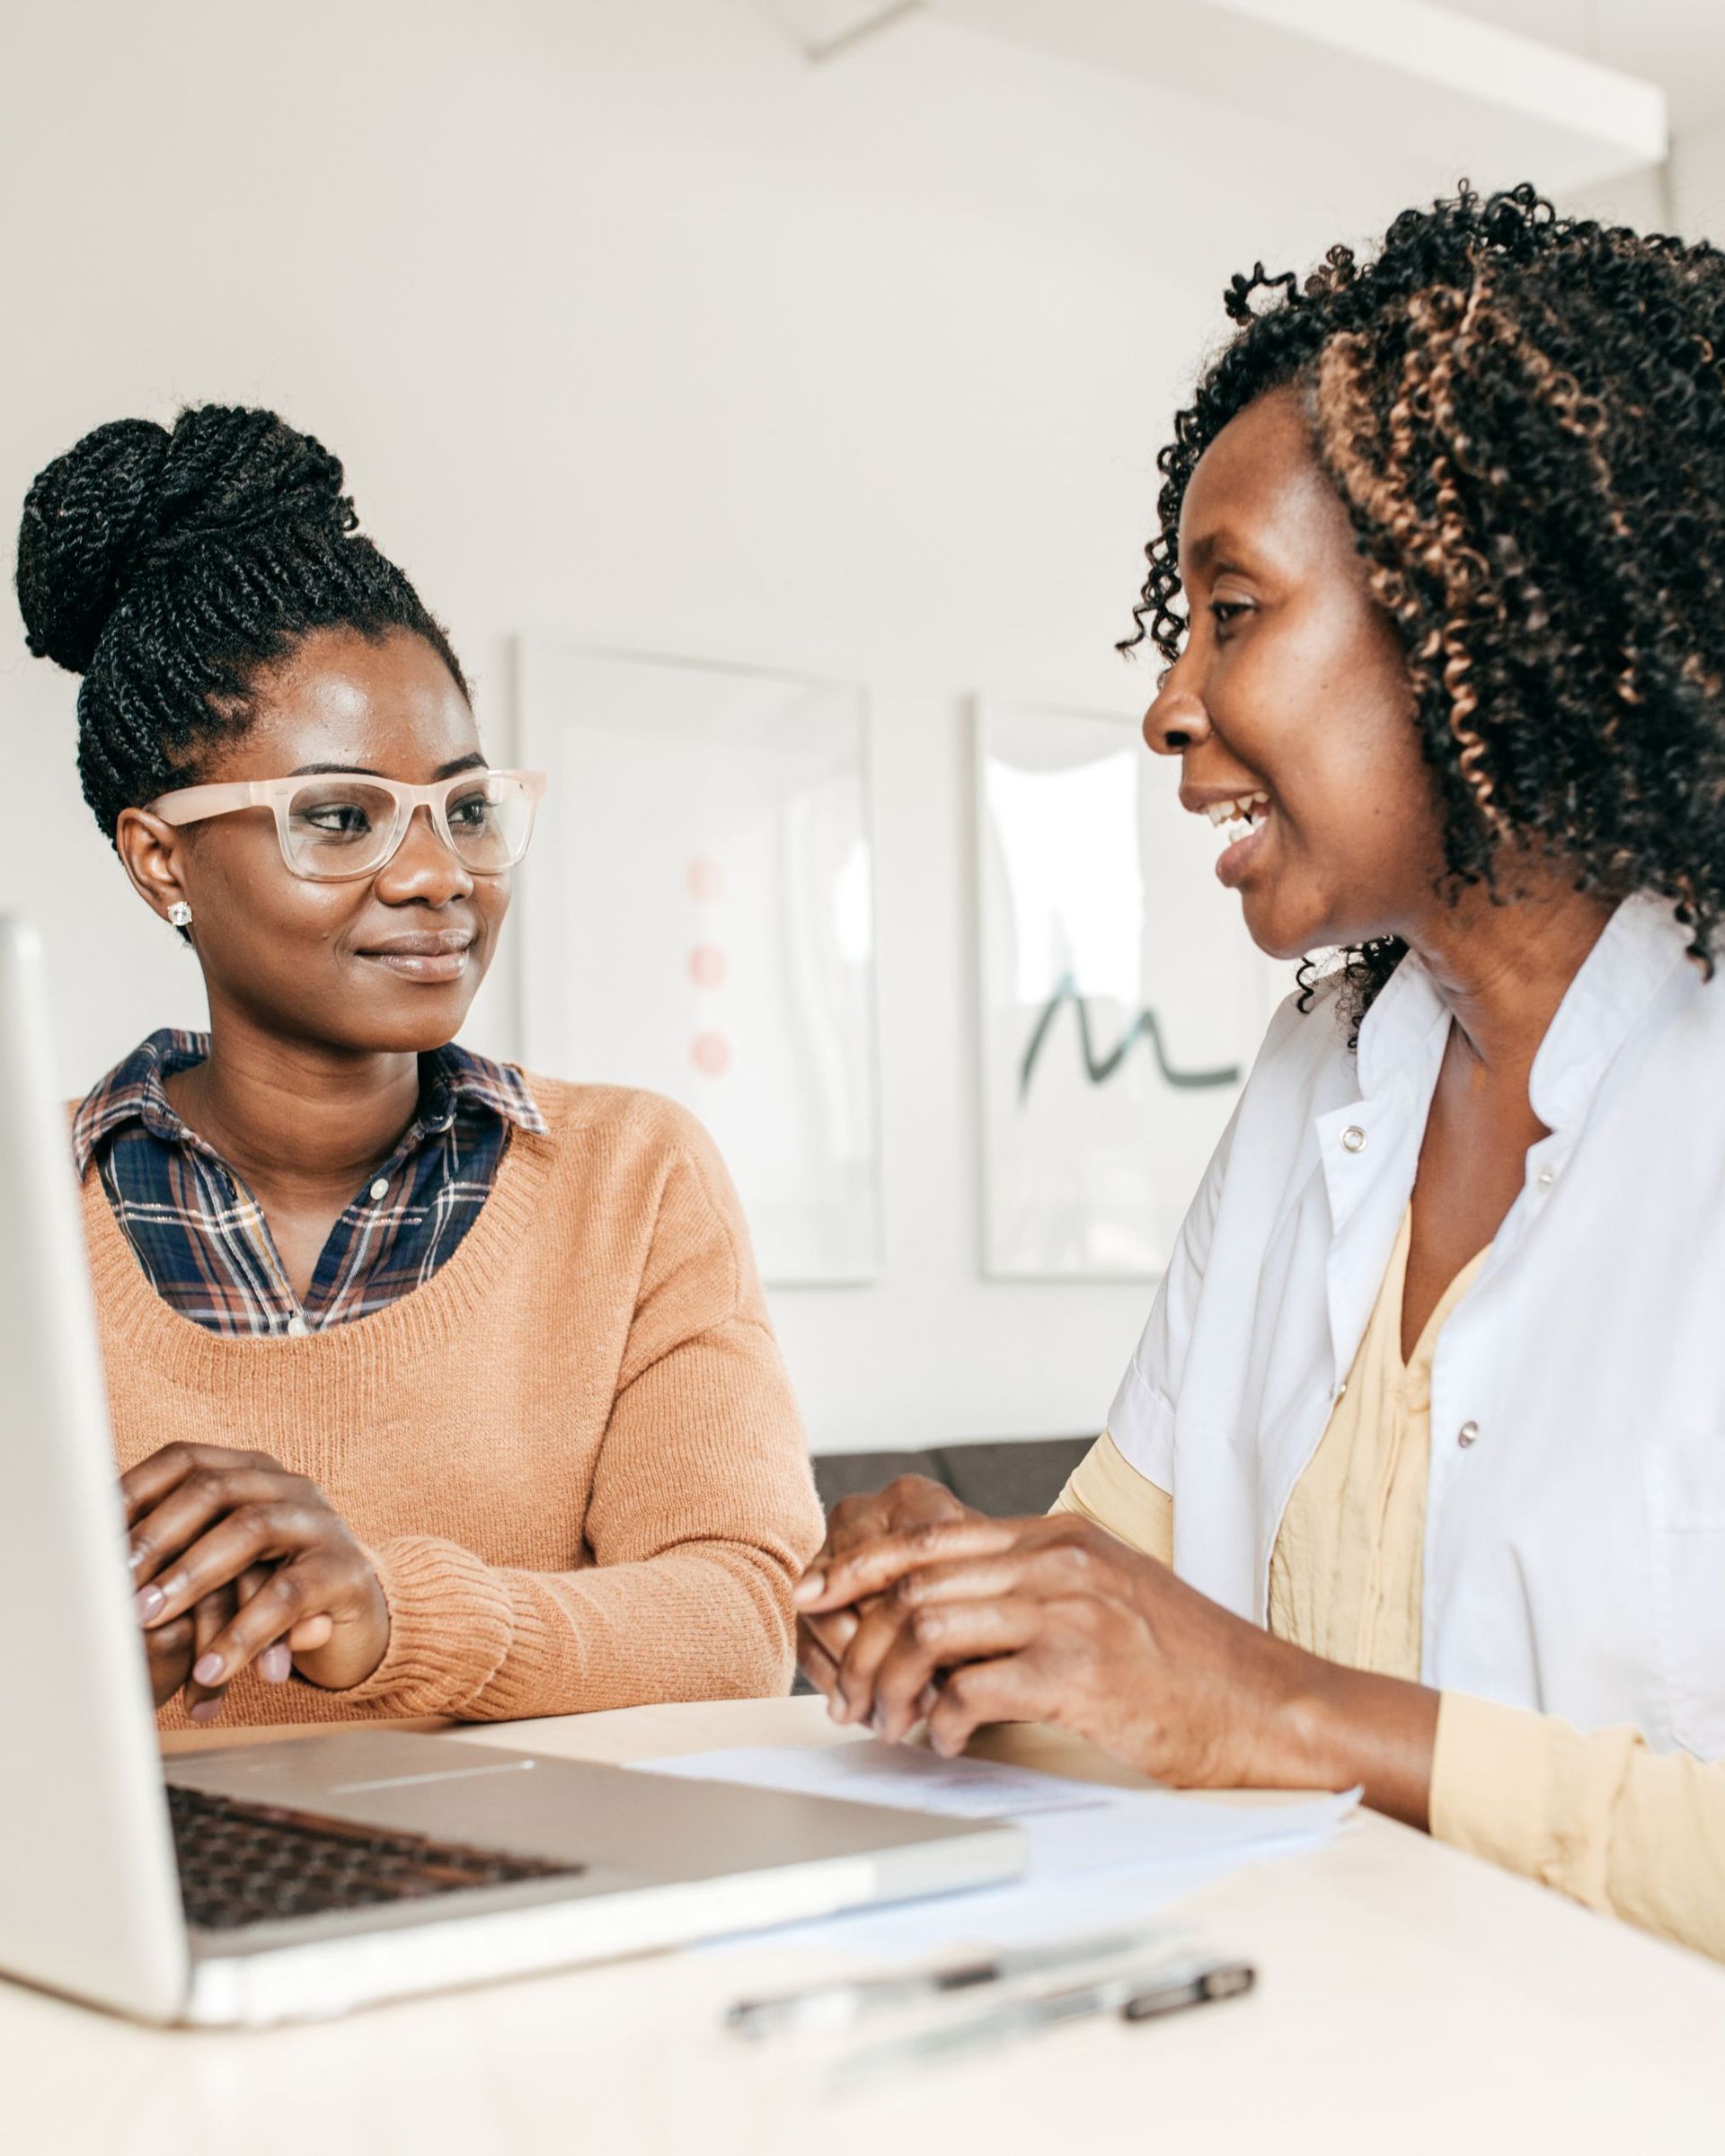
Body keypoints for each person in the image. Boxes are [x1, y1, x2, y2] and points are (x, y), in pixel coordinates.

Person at [795, 185, 1725, 1963]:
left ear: (1478, 616)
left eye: (1235, 611)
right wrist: (959, 1603)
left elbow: (1237, 1699)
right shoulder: (1325, 1073)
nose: (1167, 702)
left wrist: (1278, 1710)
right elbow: (1121, 1645)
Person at [16, 403, 822, 1731]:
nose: (439, 873)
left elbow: (742, 1617)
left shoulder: (630, 1179)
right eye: (339, 818)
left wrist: (390, 1615)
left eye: (463, 807)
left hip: (525, 1917)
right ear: (160, 859)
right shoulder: (22, 1213)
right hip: (110, 1927)